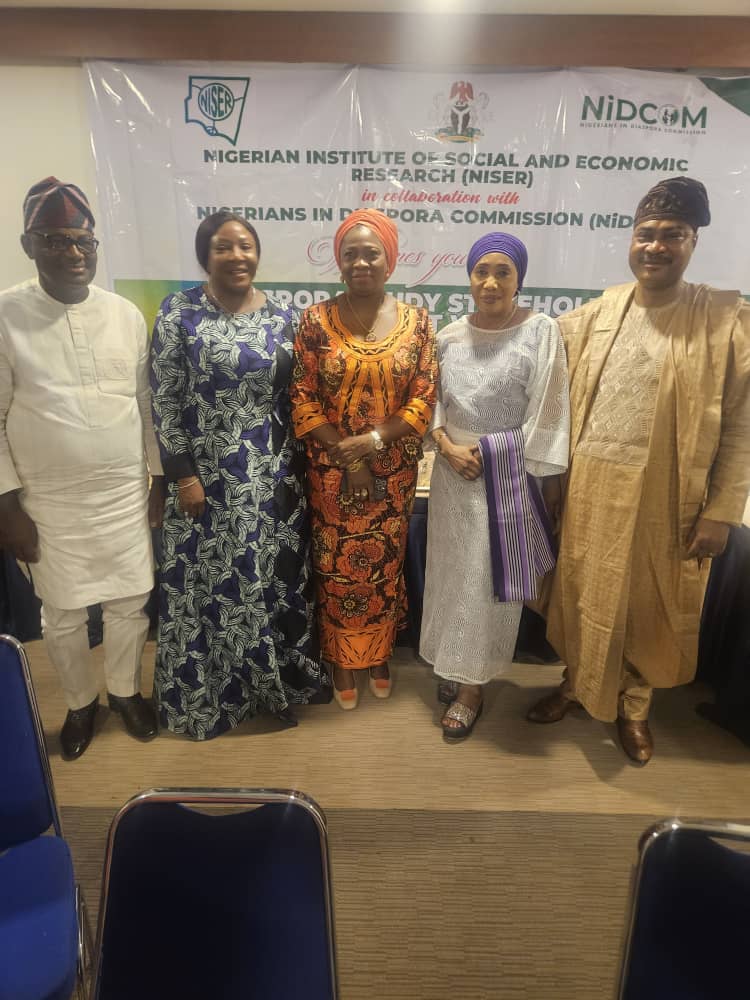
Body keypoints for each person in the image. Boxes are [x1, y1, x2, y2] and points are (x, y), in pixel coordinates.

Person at [527, 177, 750, 764]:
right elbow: (544, 371)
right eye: (646, 234)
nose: (656, 247)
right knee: (581, 593)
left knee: (647, 604)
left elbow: (740, 427)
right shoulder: (599, 314)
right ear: (631, 239)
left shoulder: (724, 321)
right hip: (590, 488)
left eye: (672, 236)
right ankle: (575, 686)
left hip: (665, 495)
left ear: (693, 242)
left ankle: (634, 707)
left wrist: (721, 511)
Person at [0, 177, 162, 759]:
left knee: (129, 601)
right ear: (29, 245)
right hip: (47, 499)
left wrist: (157, 479)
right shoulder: (5, 315)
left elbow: (145, 405)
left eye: (83, 241)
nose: (73, 252)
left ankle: (125, 691)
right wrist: (7, 506)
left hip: (122, 490)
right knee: (63, 612)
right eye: (56, 240)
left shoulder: (124, 314)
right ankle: (79, 703)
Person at [150, 212, 324, 740]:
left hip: (274, 480)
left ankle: (272, 689)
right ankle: (216, 698)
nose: (236, 256)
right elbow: (165, 400)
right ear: (205, 256)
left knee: (269, 583)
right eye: (223, 247)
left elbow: (297, 398)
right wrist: (182, 476)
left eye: (245, 246)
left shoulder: (283, 317)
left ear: (258, 253)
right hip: (207, 480)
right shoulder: (179, 312)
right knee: (212, 589)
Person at [419, 233, 570, 740]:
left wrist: (490, 453)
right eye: (481, 271)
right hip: (452, 475)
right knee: (450, 575)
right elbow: (431, 402)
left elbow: (549, 409)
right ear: (468, 277)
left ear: (518, 278)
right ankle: (453, 661)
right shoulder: (448, 336)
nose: (490, 282)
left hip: (505, 476)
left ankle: (471, 688)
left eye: (503, 272)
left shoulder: (540, 331)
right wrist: (445, 445)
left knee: (485, 581)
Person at [290, 209, 437, 709]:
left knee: (384, 563)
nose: (360, 262)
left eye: (371, 253)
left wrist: (372, 442)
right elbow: (302, 398)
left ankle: (377, 654)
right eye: (350, 254)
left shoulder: (418, 323)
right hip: (331, 472)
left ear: (389, 260)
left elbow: (423, 399)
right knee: (334, 564)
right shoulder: (314, 321)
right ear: (339, 261)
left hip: (392, 475)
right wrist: (350, 458)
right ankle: (340, 657)